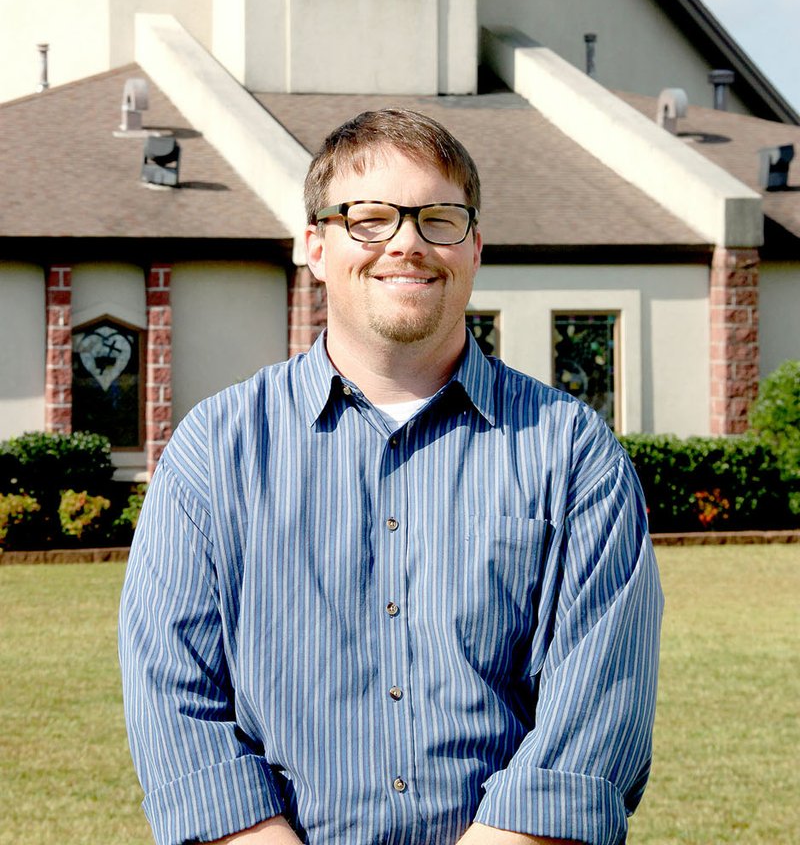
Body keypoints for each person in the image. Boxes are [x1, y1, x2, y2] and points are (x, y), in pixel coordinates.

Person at [120, 108, 663, 845]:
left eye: (438, 217)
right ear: (314, 245)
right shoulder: (214, 455)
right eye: (369, 218)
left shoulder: (572, 455)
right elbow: (177, 717)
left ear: (475, 247)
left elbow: (592, 732)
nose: (406, 241)